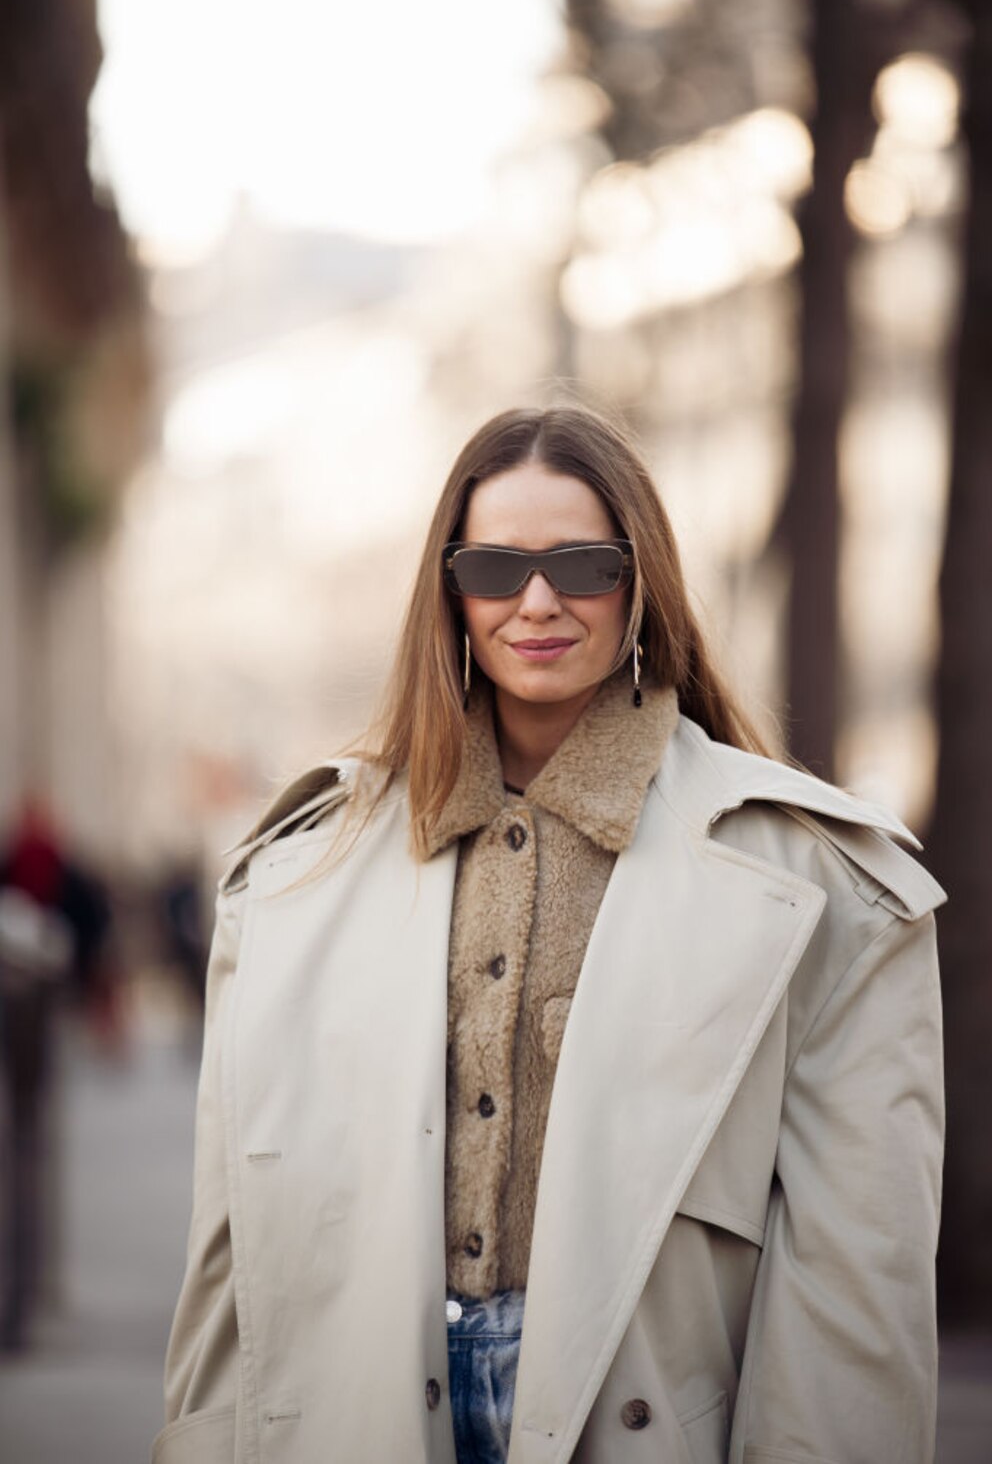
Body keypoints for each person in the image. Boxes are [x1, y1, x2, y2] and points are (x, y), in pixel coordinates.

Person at [155, 406, 945, 1464]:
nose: (535, 601)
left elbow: (858, 1286)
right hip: (367, 1411)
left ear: (639, 582)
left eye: (580, 564)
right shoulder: (298, 873)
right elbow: (232, 1261)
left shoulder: (821, 882)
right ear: (450, 590)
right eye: (494, 567)